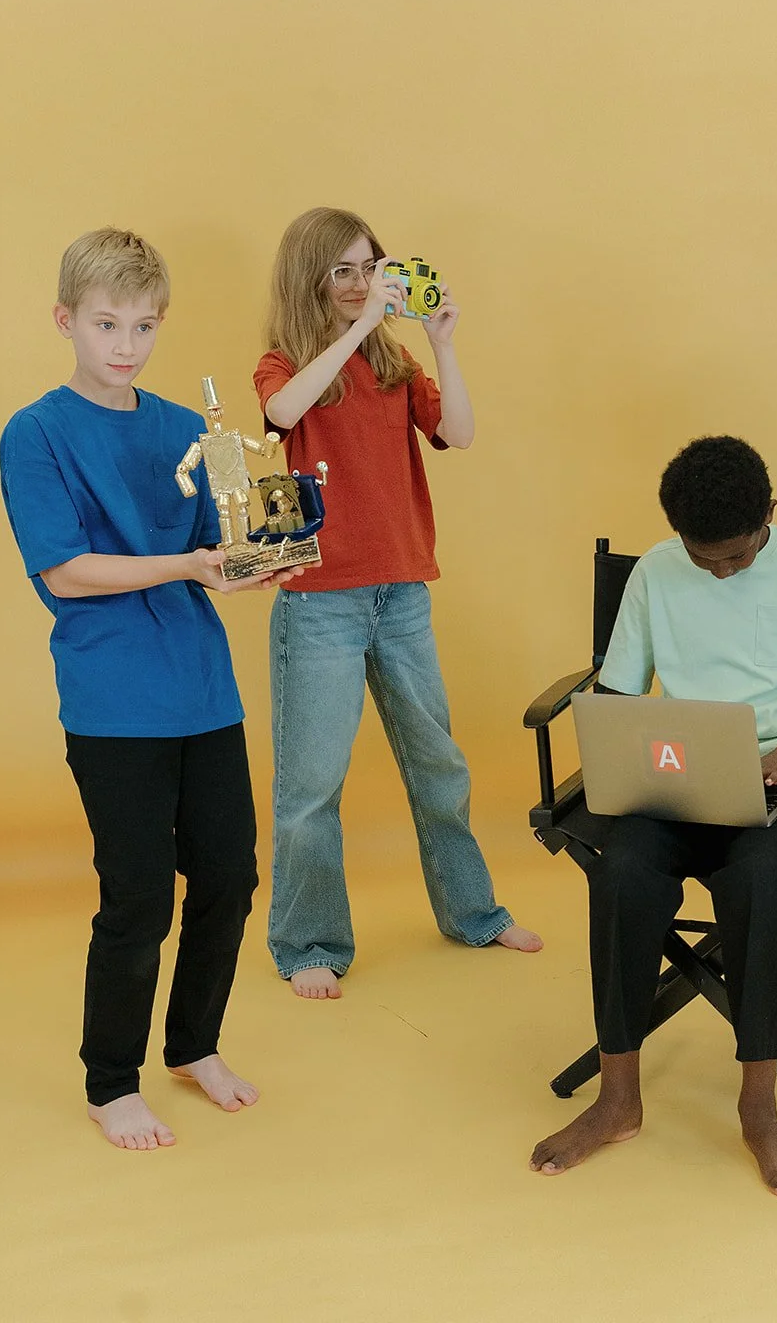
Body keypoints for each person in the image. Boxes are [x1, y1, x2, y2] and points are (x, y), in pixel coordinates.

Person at [0, 227, 303, 1152]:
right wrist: (192, 565)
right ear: (66, 321)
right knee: (137, 897)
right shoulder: (36, 431)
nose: (124, 346)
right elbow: (64, 571)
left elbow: (228, 544)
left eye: (142, 326)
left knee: (229, 876)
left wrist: (255, 565)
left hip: (203, 691)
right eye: (104, 324)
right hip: (113, 701)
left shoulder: (187, 430)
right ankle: (109, 1081)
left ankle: (193, 1046)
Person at [529, 436, 777, 1196]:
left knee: (758, 879)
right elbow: (618, 692)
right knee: (624, 872)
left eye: (736, 559)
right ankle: (617, 1099)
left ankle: (758, 1107)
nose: (718, 571)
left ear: (770, 519)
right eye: (702, 557)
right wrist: (620, 746)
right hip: (679, 778)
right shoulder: (655, 571)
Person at [253, 207, 540, 1001]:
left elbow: (463, 431)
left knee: (438, 766)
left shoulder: (394, 363)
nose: (358, 284)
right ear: (310, 279)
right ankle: (307, 939)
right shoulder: (285, 362)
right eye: (341, 271)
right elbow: (282, 414)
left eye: (369, 268)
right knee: (312, 784)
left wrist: (441, 341)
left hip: (402, 592)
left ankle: (473, 911)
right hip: (319, 605)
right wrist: (362, 325)